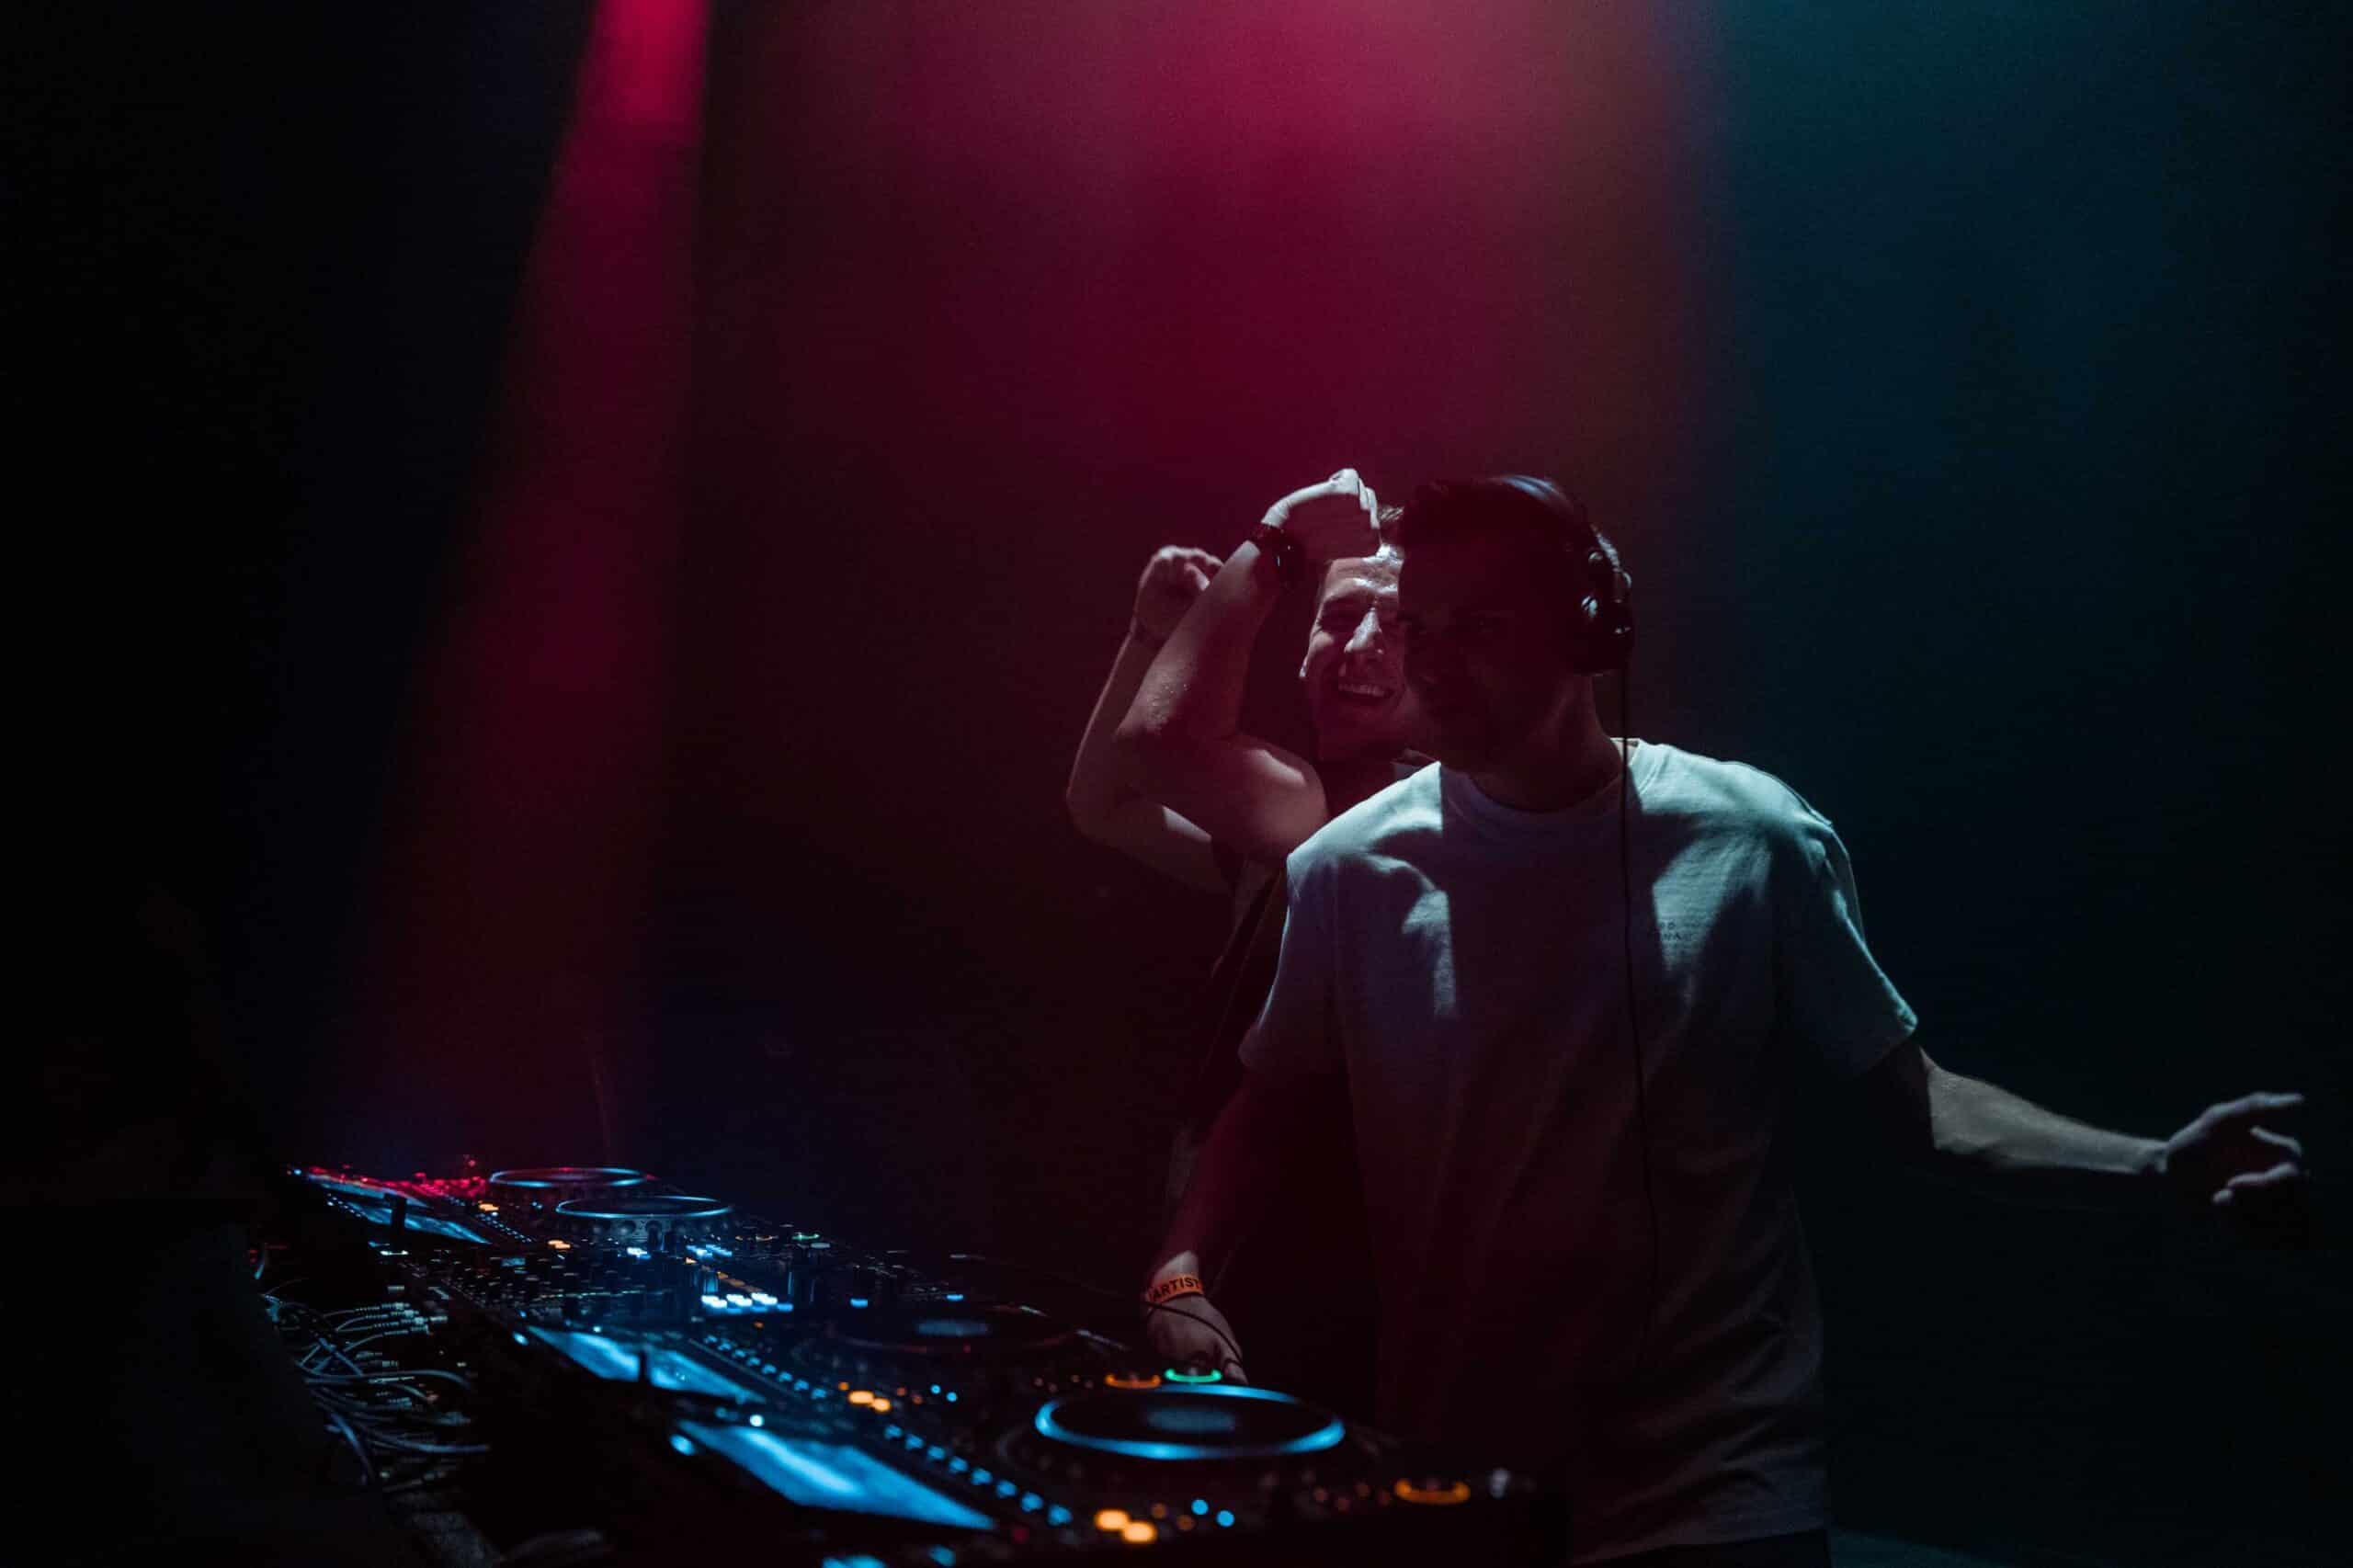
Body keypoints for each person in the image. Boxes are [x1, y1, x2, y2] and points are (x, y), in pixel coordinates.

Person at [1142, 476, 2309, 1566]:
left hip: (1722, 1495)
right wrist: (1178, 1275)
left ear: (1585, 630)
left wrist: (2150, 1164)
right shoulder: (1346, 870)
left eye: (1477, 627)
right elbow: (1271, 1106)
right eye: (1420, 626)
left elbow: (1923, 1106)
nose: (1432, 663)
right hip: (1462, 1480)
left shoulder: (1752, 838)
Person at [1064, 469, 1425, 1412]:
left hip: (1309, 1268)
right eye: (1337, 615)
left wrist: (1273, 547)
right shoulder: (1296, 811)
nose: (1361, 645)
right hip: (1236, 1254)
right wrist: (1149, 636)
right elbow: (1106, 806)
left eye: (1399, 626)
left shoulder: (1369, 809)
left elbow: (1159, 744)